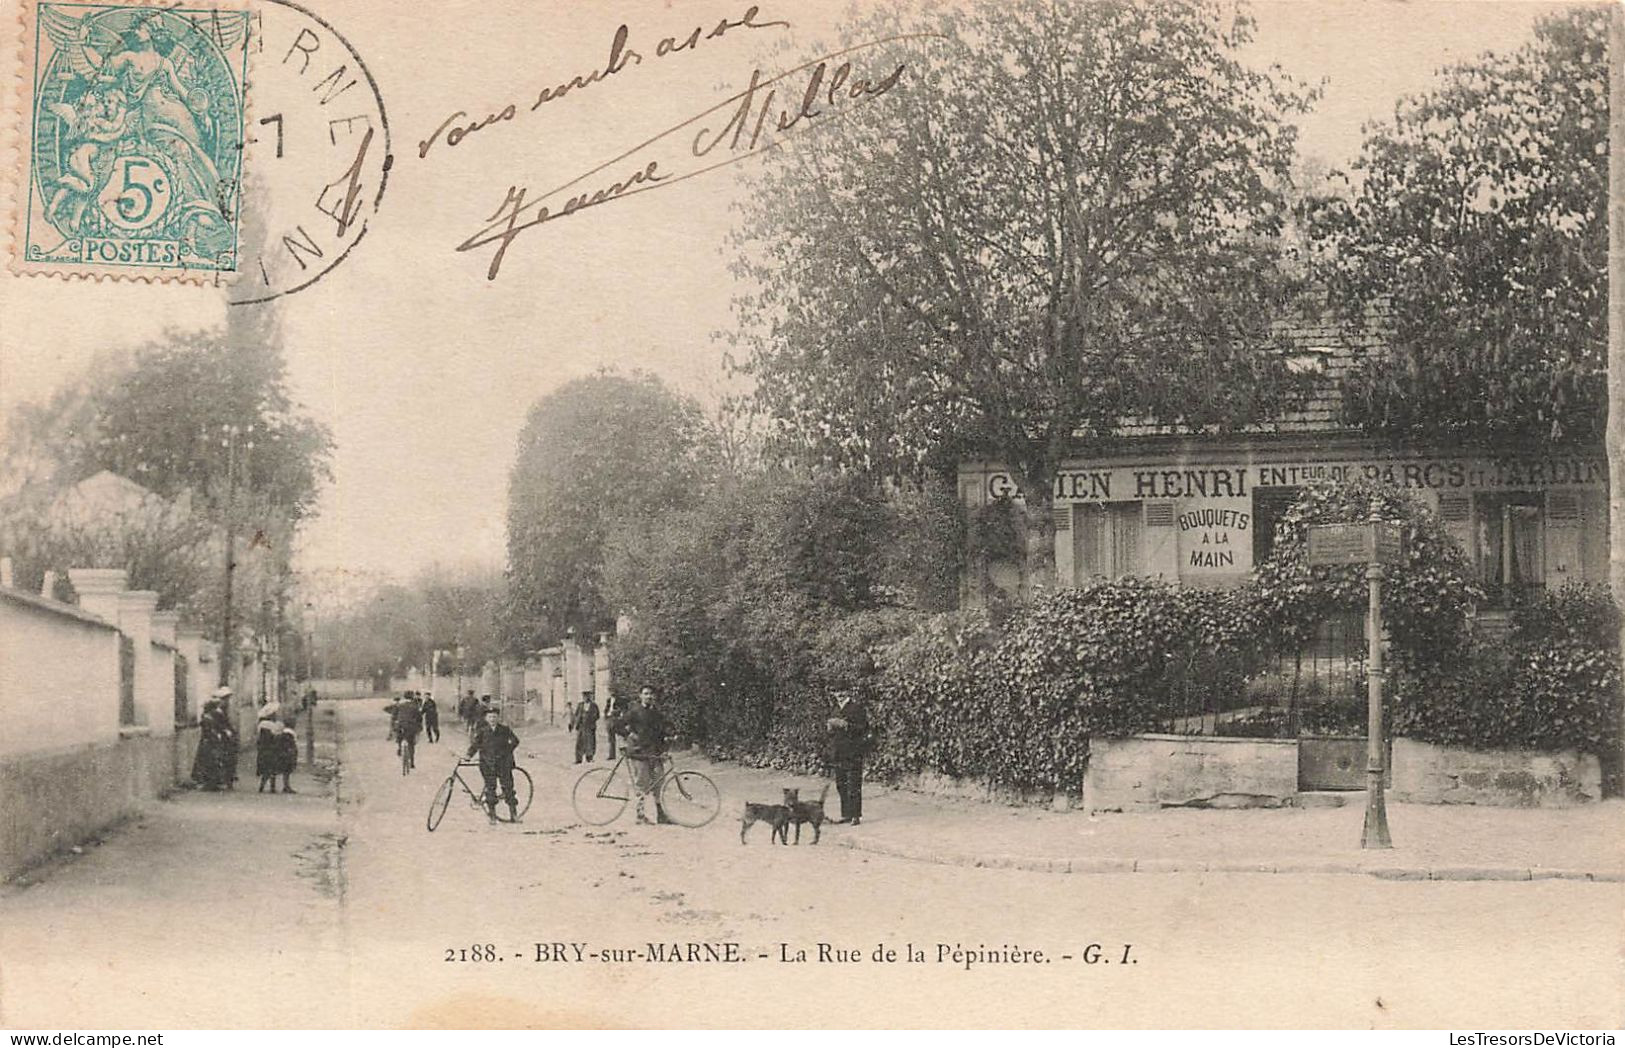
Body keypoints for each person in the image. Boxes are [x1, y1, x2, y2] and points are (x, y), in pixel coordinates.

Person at [609, 685, 671, 824]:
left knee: (658, 782)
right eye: (646, 694)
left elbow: (662, 730)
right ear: (640, 696)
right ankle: (640, 815)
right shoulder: (634, 711)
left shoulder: (656, 713)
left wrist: (667, 741)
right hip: (639, 752)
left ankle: (661, 815)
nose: (649, 696)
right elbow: (616, 725)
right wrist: (629, 734)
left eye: (651, 694)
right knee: (642, 783)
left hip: (655, 752)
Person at [826, 657, 875, 826]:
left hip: (853, 750)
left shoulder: (856, 707)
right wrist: (830, 728)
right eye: (836, 692)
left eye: (842, 691)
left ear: (848, 692)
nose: (839, 694)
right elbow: (830, 732)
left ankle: (855, 815)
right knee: (841, 784)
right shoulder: (834, 709)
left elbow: (863, 728)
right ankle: (846, 814)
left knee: (854, 783)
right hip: (838, 751)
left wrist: (846, 725)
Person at [466, 706, 522, 823]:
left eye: (494, 717)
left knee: (508, 788)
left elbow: (515, 741)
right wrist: (468, 755)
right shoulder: (482, 731)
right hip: (487, 764)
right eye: (490, 717)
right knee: (490, 789)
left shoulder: (505, 730)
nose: (492, 719)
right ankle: (492, 816)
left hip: (503, 764)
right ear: (486, 718)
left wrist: (507, 751)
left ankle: (514, 814)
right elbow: (475, 745)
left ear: (498, 718)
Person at [256, 702, 284, 793]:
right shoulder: (270, 725)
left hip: (264, 749)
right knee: (272, 769)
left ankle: (263, 786)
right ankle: (271, 787)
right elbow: (275, 736)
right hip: (271, 748)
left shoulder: (261, 724)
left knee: (267, 769)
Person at [396, 693, 423, 773]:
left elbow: (394, 714)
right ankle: (412, 762)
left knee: (399, 736)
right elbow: (419, 717)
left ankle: (400, 748)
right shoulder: (415, 706)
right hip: (411, 727)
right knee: (411, 744)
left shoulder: (400, 705)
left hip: (401, 726)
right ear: (412, 698)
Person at [571, 693, 599, 764]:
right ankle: (578, 759)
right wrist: (575, 723)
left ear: (589, 697)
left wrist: (591, 719)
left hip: (589, 727)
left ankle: (589, 757)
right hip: (581, 726)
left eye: (587, 697)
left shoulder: (594, 705)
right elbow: (576, 714)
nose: (586, 698)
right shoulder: (580, 705)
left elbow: (597, 715)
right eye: (584, 697)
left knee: (590, 742)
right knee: (579, 742)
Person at [275, 717, 299, 794]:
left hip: (283, 753)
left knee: (286, 771)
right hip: (288, 754)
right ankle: (286, 786)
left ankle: (286, 786)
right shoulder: (290, 733)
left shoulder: (283, 732)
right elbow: (291, 743)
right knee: (287, 771)